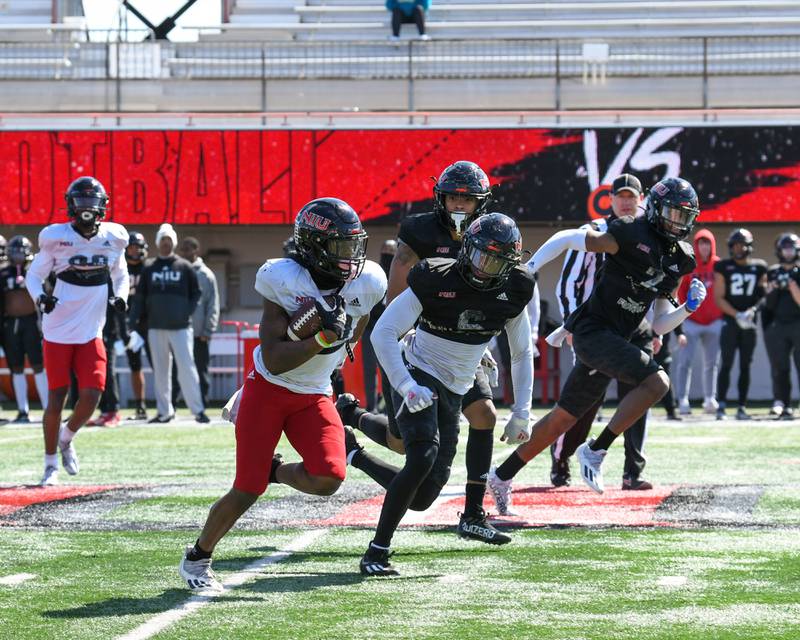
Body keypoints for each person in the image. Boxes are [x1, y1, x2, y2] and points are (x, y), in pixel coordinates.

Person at [179, 198, 385, 593]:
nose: (351, 257)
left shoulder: (369, 282)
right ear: (313, 247)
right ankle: (197, 556)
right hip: (269, 390)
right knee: (247, 487)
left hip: (314, 393)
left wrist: (339, 346)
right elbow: (274, 359)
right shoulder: (283, 279)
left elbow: (359, 324)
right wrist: (321, 338)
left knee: (329, 477)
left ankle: (275, 471)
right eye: (341, 247)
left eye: (354, 246)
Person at [487, 177, 703, 513]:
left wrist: (687, 309)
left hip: (618, 338)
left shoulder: (680, 257)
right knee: (657, 382)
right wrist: (529, 269)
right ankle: (597, 449)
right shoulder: (631, 232)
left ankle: (500, 476)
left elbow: (660, 322)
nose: (678, 221)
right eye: (673, 211)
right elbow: (567, 239)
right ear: (658, 208)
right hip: (593, 330)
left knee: (562, 418)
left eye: (684, 214)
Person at [337, 160, 512, 545]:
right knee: (404, 444)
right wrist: (411, 335)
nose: (460, 206)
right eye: (454, 197)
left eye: (468, 199)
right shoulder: (419, 231)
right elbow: (400, 293)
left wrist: (475, 339)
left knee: (484, 414)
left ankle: (472, 513)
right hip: (419, 344)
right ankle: (351, 423)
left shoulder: (491, 232)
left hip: (462, 346)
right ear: (440, 198)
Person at [357, 213, 534, 576]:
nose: (488, 269)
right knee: (421, 455)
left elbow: (521, 352)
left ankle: (352, 450)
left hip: (456, 383)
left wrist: (522, 411)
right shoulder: (436, 277)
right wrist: (405, 384)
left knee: (422, 498)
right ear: (466, 250)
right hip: (417, 369)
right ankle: (376, 551)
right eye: (484, 257)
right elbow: (382, 334)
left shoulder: (515, 287)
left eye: (499, 261)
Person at [25, 176, 129, 486]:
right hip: (57, 330)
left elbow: (121, 274)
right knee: (56, 397)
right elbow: (33, 275)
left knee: (92, 395)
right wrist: (39, 296)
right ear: (71, 206)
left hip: (91, 331)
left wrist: (121, 296)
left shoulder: (114, 237)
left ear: (102, 206)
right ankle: (49, 463)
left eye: (91, 202)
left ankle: (67, 437)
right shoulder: (55, 237)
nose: (87, 208)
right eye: (81, 202)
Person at [549, 173, 645, 488]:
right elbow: (569, 284)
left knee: (641, 392)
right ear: (612, 200)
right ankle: (561, 456)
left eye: (632, 196)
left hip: (634, 325)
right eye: (622, 196)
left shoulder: (649, 233)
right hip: (597, 326)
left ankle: (633, 470)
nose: (627, 201)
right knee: (587, 400)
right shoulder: (594, 232)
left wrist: (655, 330)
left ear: (641, 200)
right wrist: (572, 326)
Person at [129, 224, 209, 424]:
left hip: (181, 328)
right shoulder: (149, 268)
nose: (165, 243)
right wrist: (133, 322)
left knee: (187, 368)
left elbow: (196, 293)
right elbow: (140, 298)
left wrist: (185, 312)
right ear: (157, 243)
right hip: (155, 327)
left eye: (168, 240)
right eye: (162, 240)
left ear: (173, 243)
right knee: (161, 371)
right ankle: (165, 412)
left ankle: (198, 411)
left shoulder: (185, 266)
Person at [713, 228, 768, 420]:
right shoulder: (723, 267)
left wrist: (752, 311)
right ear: (730, 246)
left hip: (750, 323)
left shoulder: (760, 267)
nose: (739, 248)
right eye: (736, 245)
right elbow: (718, 297)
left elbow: (763, 296)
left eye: (742, 244)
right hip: (730, 321)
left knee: (746, 365)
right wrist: (737, 315)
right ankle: (721, 405)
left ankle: (741, 406)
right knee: (726, 363)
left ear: (749, 246)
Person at [1, 236, 49, 423]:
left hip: (32, 323)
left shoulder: (36, 273)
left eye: (22, 250)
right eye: (15, 251)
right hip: (10, 325)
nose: (19, 255)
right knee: (16, 367)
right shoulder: (3, 274)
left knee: (38, 365)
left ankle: (47, 408)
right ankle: (23, 410)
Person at [675, 229, 723, 415]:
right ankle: (682, 400)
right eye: (701, 243)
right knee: (684, 362)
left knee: (712, 363)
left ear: (712, 244)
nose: (704, 246)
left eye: (707, 243)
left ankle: (710, 398)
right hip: (691, 321)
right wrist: (683, 315)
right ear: (696, 245)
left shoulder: (718, 265)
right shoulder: (690, 264)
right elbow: (680, 293)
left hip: (714, 321)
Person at [172, 237, 220, 409]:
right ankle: (172, 405)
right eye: (182, 249)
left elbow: (212, 305)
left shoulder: (206, 275)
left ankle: (202, 406)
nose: (184, 252)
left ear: (196, 251)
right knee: (176, 369)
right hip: (178, 331)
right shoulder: (176, 271)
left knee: (200, 370)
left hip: (199, 333)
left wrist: (208, 330)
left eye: (188, 249)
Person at [763, 233, 800, 420]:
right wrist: (772, 290)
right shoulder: (773, 272)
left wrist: (794, 289)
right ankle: (781, 403)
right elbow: (768, 305)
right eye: (785, 248)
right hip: (778, 325)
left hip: (798, 324)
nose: (788, 252)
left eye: (791, 248)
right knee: (780, 367)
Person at [361, 239, 396, 411]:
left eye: (391, 251)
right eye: (385, 250)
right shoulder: (374, 274)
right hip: (369, 329)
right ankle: (372, 406)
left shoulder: (398, 275)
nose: (387, 254)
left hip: (388, 331)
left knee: (389, 370)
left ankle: (388, 405)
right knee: (369, 370)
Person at [123, 232, 149, 420]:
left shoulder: (149, 269)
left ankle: (169, 403)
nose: (134, 251)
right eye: (131, 247)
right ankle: (140, 405)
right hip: (129, 324)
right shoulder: (120, 268)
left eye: (137, 247)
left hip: (149, 322)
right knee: (135, 365)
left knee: (162, 365)